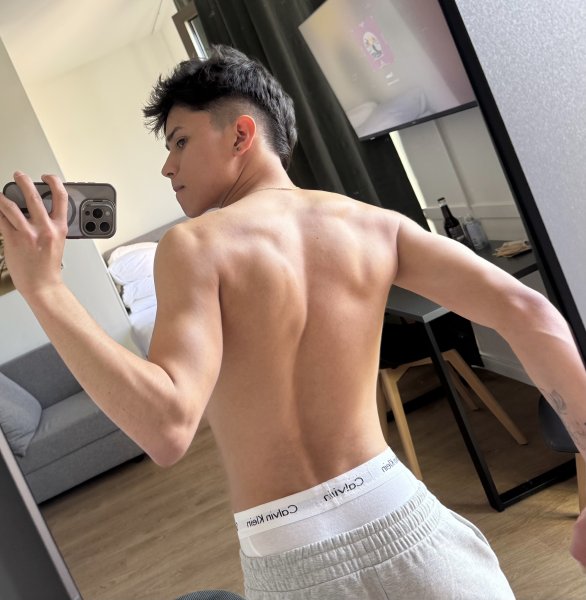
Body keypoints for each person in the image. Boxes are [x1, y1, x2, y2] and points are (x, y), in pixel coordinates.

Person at [0, 45, 585, 598]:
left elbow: (167, 428)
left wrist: (45, 288)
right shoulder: (375, 225)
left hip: (291, 560)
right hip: (411, 527)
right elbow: (531, 312)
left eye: (179, 142)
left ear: (241, 134)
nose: (166, 166)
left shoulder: (195, 245)